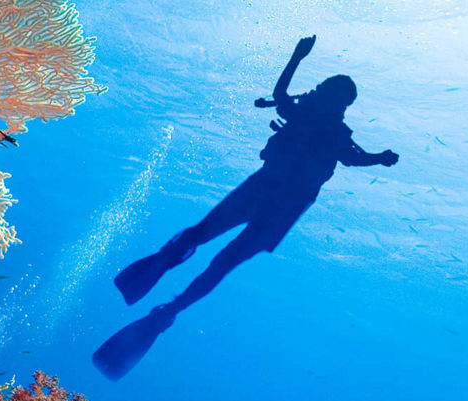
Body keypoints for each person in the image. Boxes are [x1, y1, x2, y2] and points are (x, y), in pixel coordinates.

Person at [93, 35, 399, 380]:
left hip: (271, 197)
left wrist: (298, 57)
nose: (330, 99)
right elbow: (350, 155)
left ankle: (169, 292)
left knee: (213, 251)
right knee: (214, 253)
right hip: (278, 200)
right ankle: (169, 296)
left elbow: (345, 150)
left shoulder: (323, 124)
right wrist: (379, 158)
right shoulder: (320, 122)